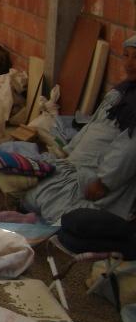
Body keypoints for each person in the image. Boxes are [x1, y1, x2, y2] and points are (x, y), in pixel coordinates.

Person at [24, 36, 136, 224]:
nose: (130, 64)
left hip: (100, 180)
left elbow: (128, 150)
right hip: (77, 168)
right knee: (30, 192)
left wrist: (103, 182)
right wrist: (68, 153)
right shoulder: (122, 92)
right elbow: (93, 126)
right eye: (126, 56)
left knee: (64, 217)